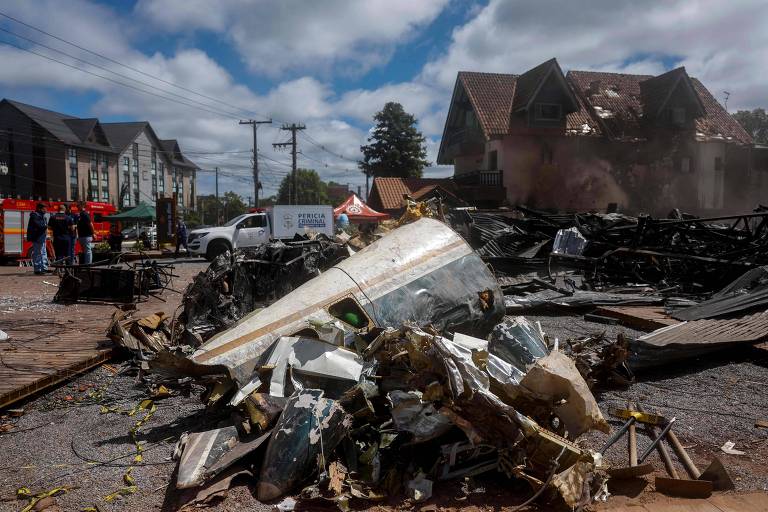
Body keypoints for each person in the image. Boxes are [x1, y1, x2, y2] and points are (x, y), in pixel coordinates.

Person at [26, 202, 49, 275]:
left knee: (43, 253)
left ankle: (44, 268)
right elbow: (40, 226)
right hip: (38, 237)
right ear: (39, 208)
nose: (46, 210)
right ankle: (38, 269)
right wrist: (47, 226)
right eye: (44, 208)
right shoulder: (35, 216)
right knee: (38, 253)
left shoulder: (41, 216)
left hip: (42, 237)